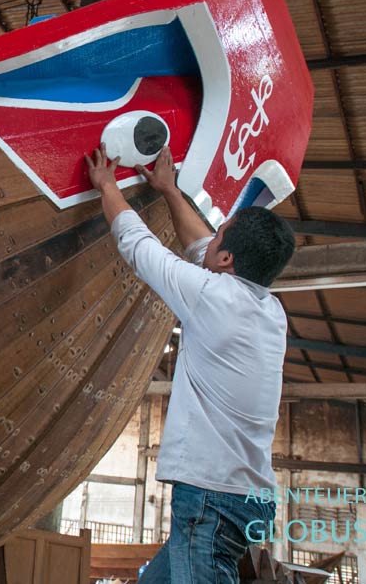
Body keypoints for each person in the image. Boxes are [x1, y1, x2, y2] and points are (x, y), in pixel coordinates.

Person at [84, 144, 295, 583]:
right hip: (244, 495)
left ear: (228, 260)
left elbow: (140, 247)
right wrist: (169, 190)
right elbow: (202, 248)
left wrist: (106, 185)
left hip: (211, 499)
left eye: (221, 234)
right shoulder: (271, 311)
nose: (212, 236)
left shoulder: (213, 297)